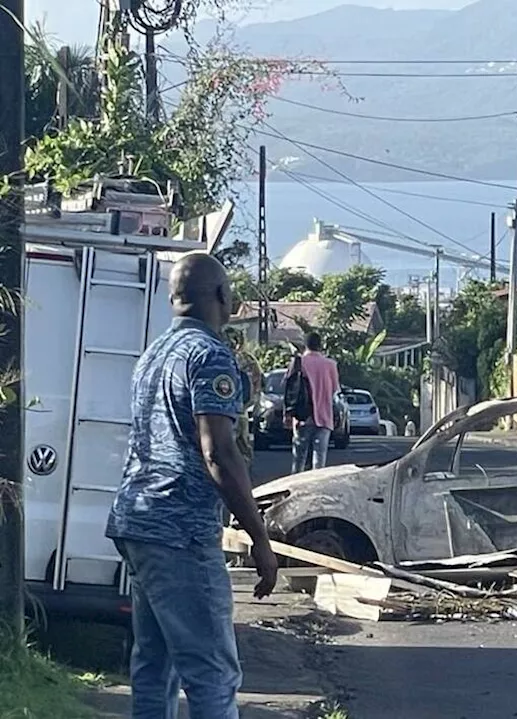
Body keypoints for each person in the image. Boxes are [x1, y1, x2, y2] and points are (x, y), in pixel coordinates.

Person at [106, 252, 278, 719]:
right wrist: (260, 540)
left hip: (138, 522)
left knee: (155, 665)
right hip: (179, 530)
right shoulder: (210, 355)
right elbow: (218, 452)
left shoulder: (154, 354)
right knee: (213, 673)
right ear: (223, 296)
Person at [290, 331, 340, 473]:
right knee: (319, 459)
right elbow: (335, 389)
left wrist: (287, 415)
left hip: (302, 416)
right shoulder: (330, 364)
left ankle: (294, 489)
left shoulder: (298, 363)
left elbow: (290, 390)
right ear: (320, 346)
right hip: (324, 416)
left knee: (299, 459)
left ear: (305, 345)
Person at [222, 327, 263, 467]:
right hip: (242, 412)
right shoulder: (248, 359)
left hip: (220, 413)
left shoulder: (217, 356)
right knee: (243, 451)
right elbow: (257, 385)